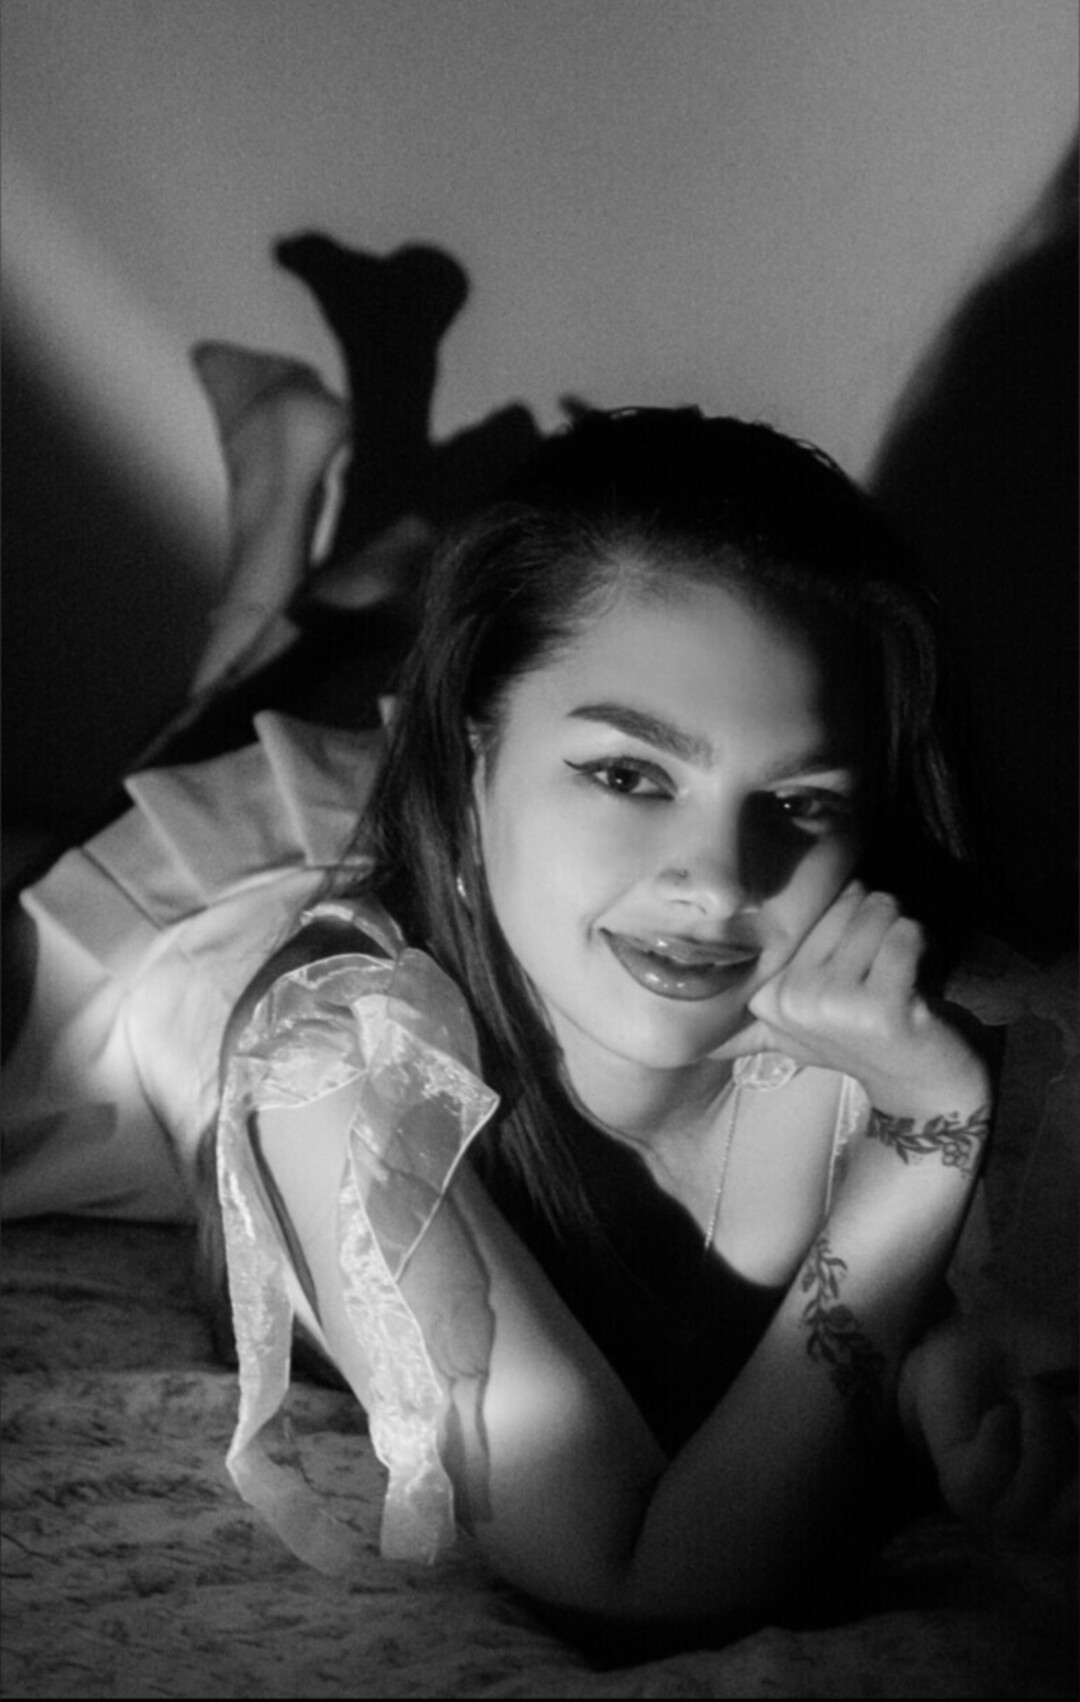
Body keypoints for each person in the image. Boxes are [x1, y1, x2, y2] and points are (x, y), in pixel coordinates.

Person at [199, 408, 1058, 1643]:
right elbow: (630, 1575)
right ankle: (276, 540)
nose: (719, 883)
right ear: (472, 754)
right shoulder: (332, 1063)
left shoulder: (875, 1006)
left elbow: (808, 1345)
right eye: (629, 775)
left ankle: (351, 592)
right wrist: (928, 1139)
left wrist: (925, 1381)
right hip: (198, 953)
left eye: (798, 801)